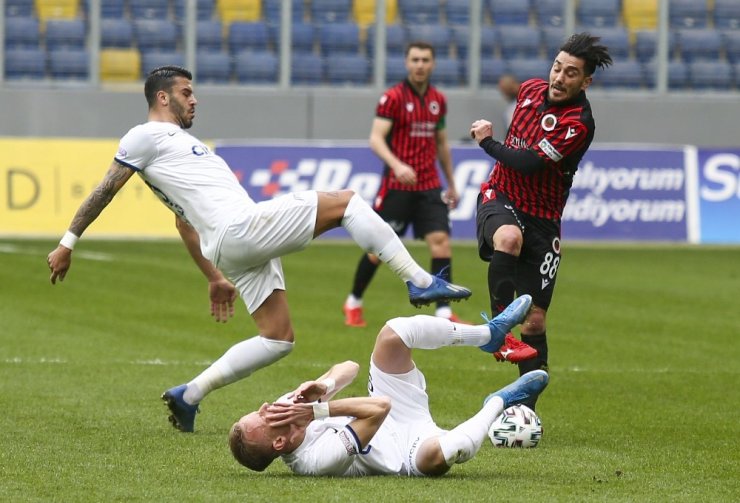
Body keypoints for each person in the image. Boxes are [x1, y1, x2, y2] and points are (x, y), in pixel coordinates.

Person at [46, 66, 472, 433]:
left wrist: (215, 277)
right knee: (345, 202)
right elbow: (105, 188)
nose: (195, 100)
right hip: (241, 230)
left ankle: (189, 395)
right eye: (186, 93)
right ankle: (419, 282)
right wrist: (68, 242)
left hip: (229, 245)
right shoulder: (144, 136)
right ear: (162, 97)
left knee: (278, 338)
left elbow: (182, 222)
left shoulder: (177, 150)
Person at [229, 294, 547, 475]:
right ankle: (498, 402)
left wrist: (324, 385)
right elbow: (379, 409)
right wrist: (315, 412)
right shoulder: (314, 462)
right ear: (279, 444)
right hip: (406, 450)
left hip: (390, 406)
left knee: (393, 333)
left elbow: (349, 368)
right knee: (443, 454)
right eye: (261, 417)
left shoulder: (288, 410)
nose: (266, 407)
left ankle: (487, 335)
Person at [469, 33, 612, 408]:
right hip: (500, 196)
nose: (559, 78)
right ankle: (498, 328)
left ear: (586, 82)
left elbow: (531, 163)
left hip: (545, 220)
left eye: (571, 73)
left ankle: (524, 410)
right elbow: (521, 118)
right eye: (557, 67)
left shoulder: (578, 122)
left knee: (534, 322)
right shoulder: (530, 89)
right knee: (509, 239)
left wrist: (487, 141)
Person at [343, 41, 463, 328]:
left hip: (429, 185)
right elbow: (375, 139)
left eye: (425, 60)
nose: (420, 65)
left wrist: (452, 182)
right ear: (407, 63)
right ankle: (353, 301)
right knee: (378, 252)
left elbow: (442, 143)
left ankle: (444, 311)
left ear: (433, 64)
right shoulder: (393, 98)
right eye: (415, 60)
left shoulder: (438, 100)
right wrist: (397, 165)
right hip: (397, 188)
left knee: (441, 243)